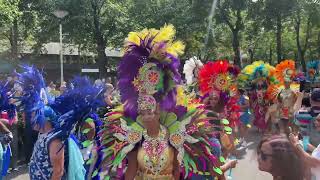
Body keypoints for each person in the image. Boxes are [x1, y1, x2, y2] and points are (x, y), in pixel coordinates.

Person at [97, 25, 228, 180]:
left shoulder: (181, 121)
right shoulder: (128, 124)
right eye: (145, 81)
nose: (149, 90)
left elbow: (182, 169)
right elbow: (129, 167)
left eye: (154, 78)